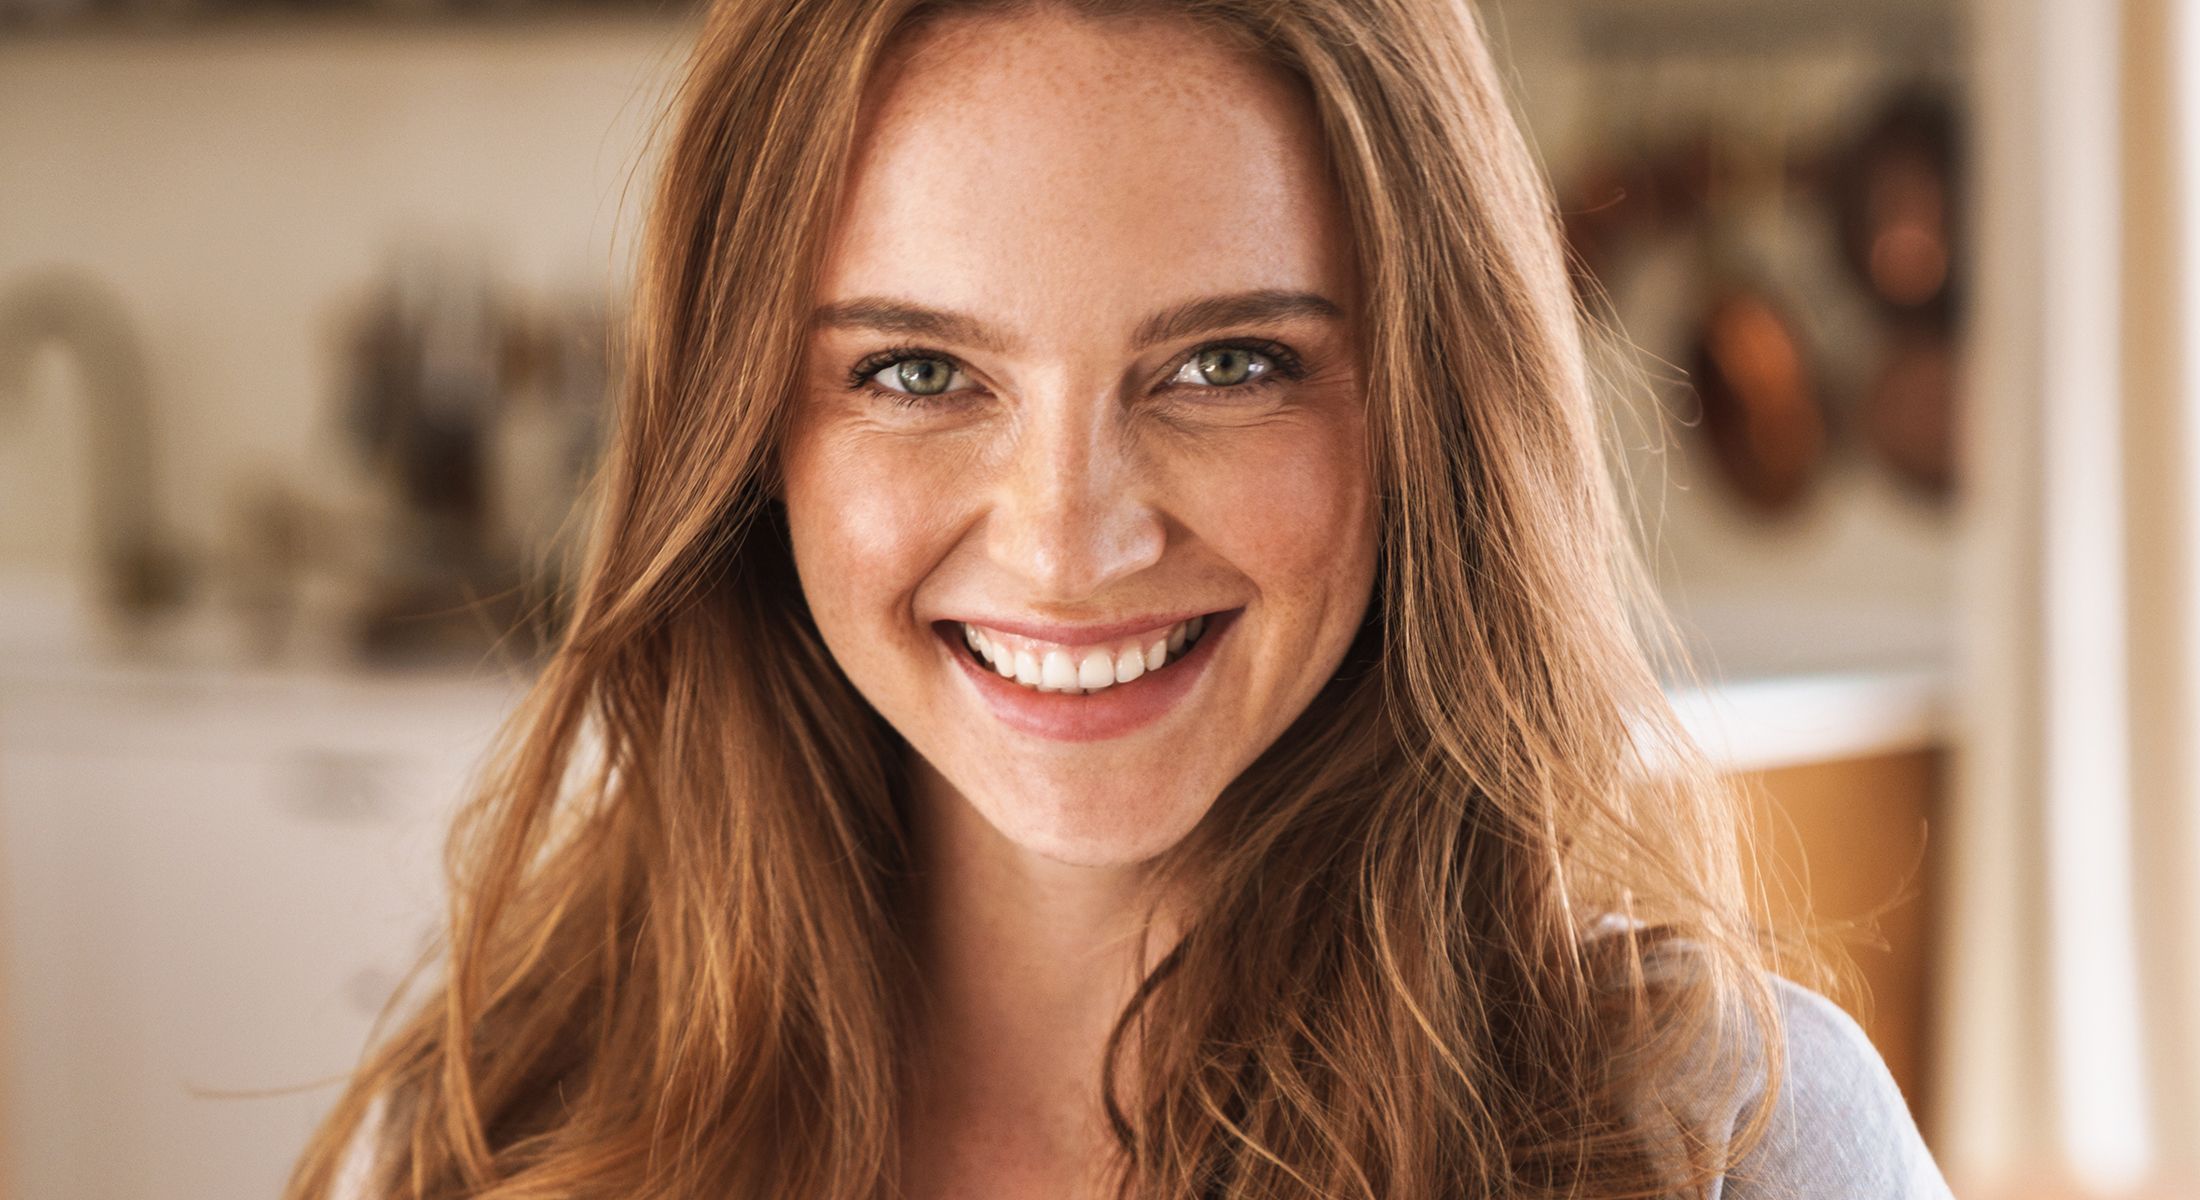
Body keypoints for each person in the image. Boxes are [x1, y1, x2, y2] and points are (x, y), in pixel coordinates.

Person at [285, 1, 1961, 1197]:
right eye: (918, 369)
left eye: (1229, 364)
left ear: (1426, 407)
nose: (1069, 546)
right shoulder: (520, 1117)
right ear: (748, 437)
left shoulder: (1711, 1144)